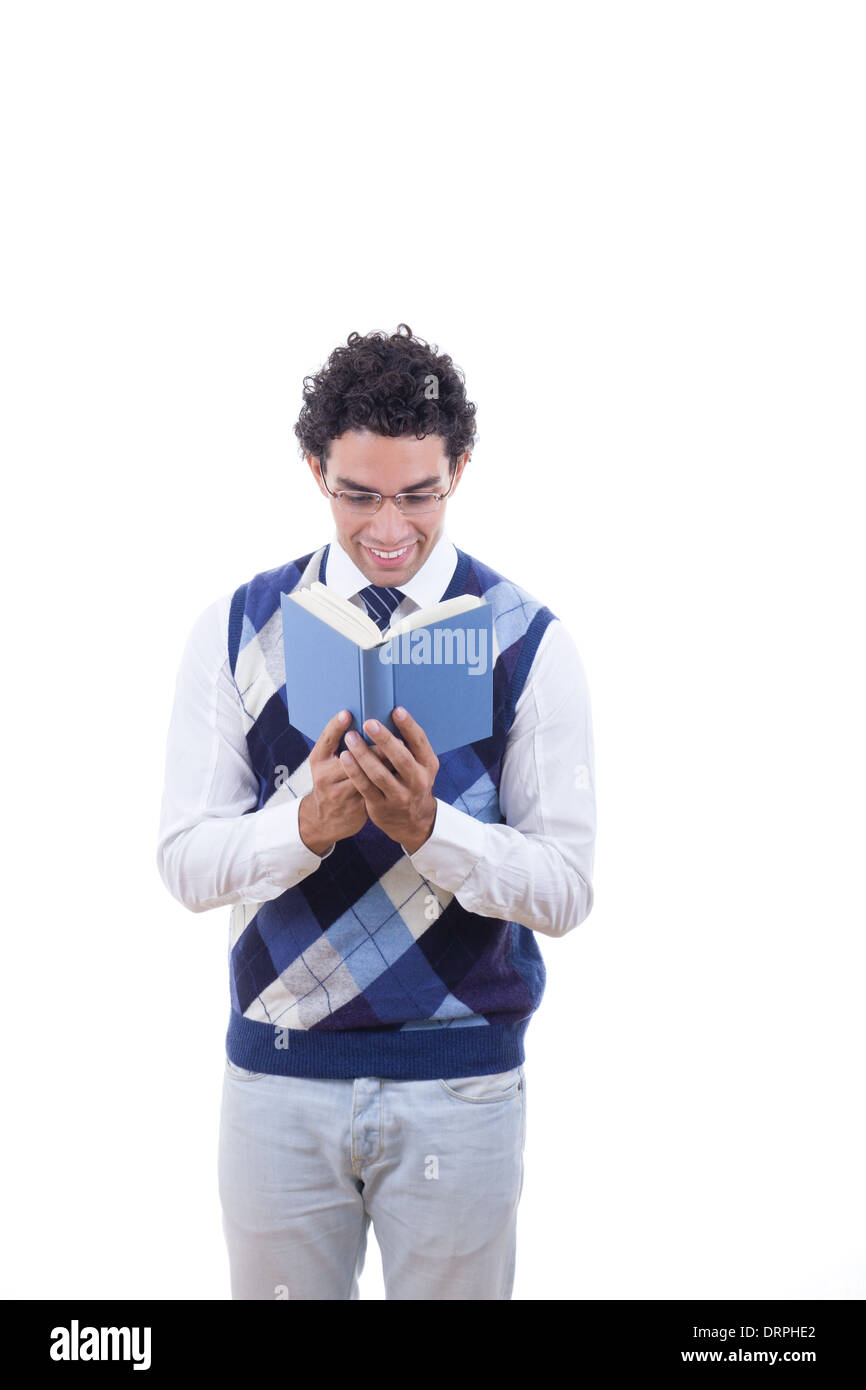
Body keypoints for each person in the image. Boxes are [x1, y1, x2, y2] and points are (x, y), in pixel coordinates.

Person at [156, 323, 597, 1300]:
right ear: (315, 468)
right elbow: (184, 859)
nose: (388, 527)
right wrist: (301, 827)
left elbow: (566, 890)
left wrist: (428, 832)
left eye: (418, 494)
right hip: (277, 1077)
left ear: (460, 468)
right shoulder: (240, 626)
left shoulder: (528, 640)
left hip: (462, 1081)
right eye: (357, 495)